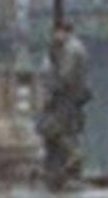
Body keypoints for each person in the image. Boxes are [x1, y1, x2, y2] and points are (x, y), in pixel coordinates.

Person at [38, 21, 90, 187]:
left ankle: (73, 157)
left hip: (66, 97)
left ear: (63, 31)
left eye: (56, 32)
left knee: (55, 130)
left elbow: (65, 75)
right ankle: (64, 168)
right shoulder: (77, 48)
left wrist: (53, 92)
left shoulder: (70, 49)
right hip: (73, 97)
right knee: (67, 130)